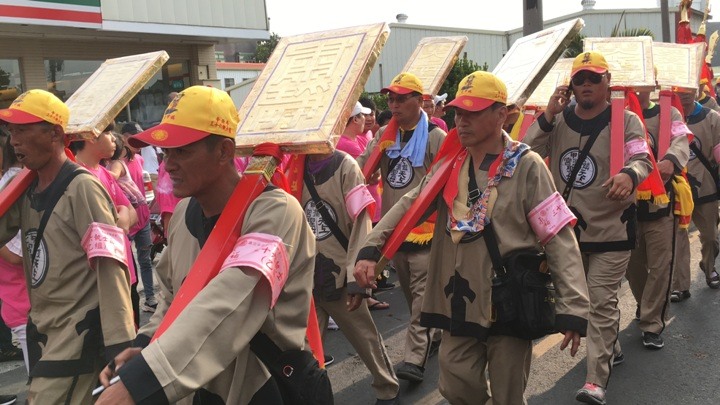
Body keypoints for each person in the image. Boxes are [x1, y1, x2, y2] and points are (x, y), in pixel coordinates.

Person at [354, 71, 590, 404]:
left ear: (501, 115)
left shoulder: (527, 165)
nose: (461, 120)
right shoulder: (450, 164)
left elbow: (558, 236)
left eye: (473, 112)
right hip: (458, 297)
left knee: (508, 395)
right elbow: (409, 206)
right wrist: (370, 249)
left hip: (509, 298)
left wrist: (574, 307)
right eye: (458, 112)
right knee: (455, 383)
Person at [96, 86, 316, 404]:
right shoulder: (186, 211)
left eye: (182, 151)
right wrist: (146, 342)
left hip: (260, 389)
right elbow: (175, 297)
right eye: (166, 153)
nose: (168, 165)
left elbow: (231, 301)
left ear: (225, 152)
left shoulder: (275, 212)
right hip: (195, 389)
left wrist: (142, 381)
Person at [523, 51, 652, 404]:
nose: (586, 85)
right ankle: (608, 345)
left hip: (612, 230)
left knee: (599, 303)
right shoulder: (560, 121)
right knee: (574, 302)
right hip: (569, 235)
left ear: (607, 81)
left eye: (593, 78)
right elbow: (526, 152)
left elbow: (642, 158)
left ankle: (595, 380)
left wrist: (629, 174)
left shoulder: (625, 120)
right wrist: (548, 114)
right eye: (579, 79)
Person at [0, 89, 135, 402]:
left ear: (54, 134)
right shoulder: (26, 187)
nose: (14, 140)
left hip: (78, 337)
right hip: (43, 332)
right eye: (11, 132)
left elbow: (110, 264)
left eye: (23, 130)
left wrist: (120, 345)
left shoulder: (83, 188)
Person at [357, 72, 446, 383]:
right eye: (390, 99)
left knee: (421, 297)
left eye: (400, 98)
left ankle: (413, 359)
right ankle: (432, 335)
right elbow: (361, 171)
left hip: (426, 232)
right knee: (411, 296)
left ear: (418, 101)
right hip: (394, 232)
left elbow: (445, 182)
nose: (392, 104)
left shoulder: (436, 136)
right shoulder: (384, 134)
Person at [299, 148, 399, 404]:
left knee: (365, 339)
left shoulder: (345, 166)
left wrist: (357, 279)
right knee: (305, 351)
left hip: (340, 274)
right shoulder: (294, 167)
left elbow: (361, 221)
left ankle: (388, 390)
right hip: (307, 276)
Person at [625, 90, 690, 350]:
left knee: (661, 267)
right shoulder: (616, 115)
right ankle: (645, 304)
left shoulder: (668, 113)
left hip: (660, 205)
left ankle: (653, 323)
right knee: (633, 266)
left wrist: (671, 161)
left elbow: (681, 140)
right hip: (626, 207)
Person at [70, 124, 140, 326]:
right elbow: (113, 225)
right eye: (108, 133)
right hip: (102, 277)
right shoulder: (79, 178)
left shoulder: (104, 173)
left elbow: (131, 215)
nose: (114, 139)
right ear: (91, 136)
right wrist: (121, 217)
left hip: (125, 267)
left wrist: (121, 216)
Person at [671, 89, 720, 297]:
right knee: (679, 238)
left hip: (705, 185)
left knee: (710, 236)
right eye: (679, 90)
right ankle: (681, 286)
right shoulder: (667, 118)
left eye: (688, 89)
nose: (684, 94)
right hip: (676, 187)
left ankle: (709, 267)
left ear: (696, 90)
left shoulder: (711, 118)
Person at [114, 123, 157, 313]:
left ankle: (150, 298)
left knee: (145, 260)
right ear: (123, 138)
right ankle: (129, 306)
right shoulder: (112, 165)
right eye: (134, 138)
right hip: (125, 223)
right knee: (127, 268)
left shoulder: (139, 160)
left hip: (143, 218)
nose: (138, 143)